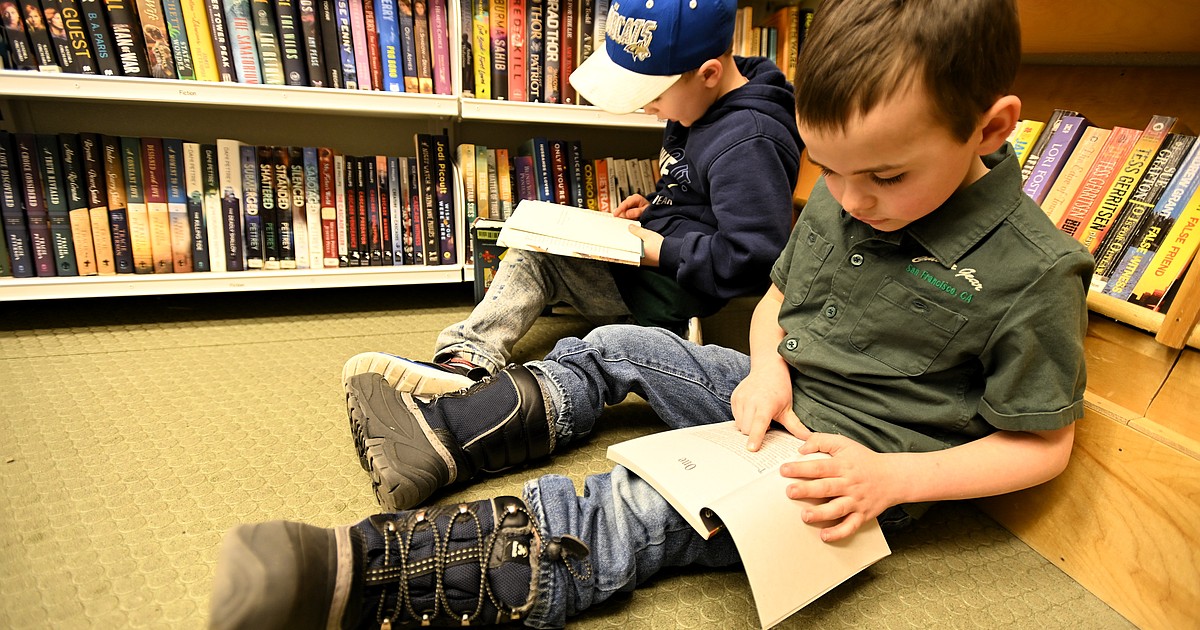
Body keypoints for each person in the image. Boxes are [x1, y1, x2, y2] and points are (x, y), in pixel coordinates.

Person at [208, 0, 1096, 628]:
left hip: (848, 468)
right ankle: (444, 436)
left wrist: (892, 482)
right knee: (615, 344)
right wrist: (772, 367)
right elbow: (779, 297)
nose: (851, 199)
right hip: (773, 394)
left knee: (640, 507)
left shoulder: (1035, 272)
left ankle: (372, 575)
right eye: (831, 172)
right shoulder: (849, 194)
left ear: (989, 128)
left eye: (886, 177)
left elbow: (1043, 444)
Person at [357, 0, 802, 396]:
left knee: (535, 257)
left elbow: (752, 259)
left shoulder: (750, 141)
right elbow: (695, 189)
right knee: (546, 238)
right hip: (658, 259)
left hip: (673, 288)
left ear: (709, 74)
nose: (648, 109)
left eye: (652, 96)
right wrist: (655, 204)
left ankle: (467, 361)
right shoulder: (702, 102)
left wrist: (659, 248)